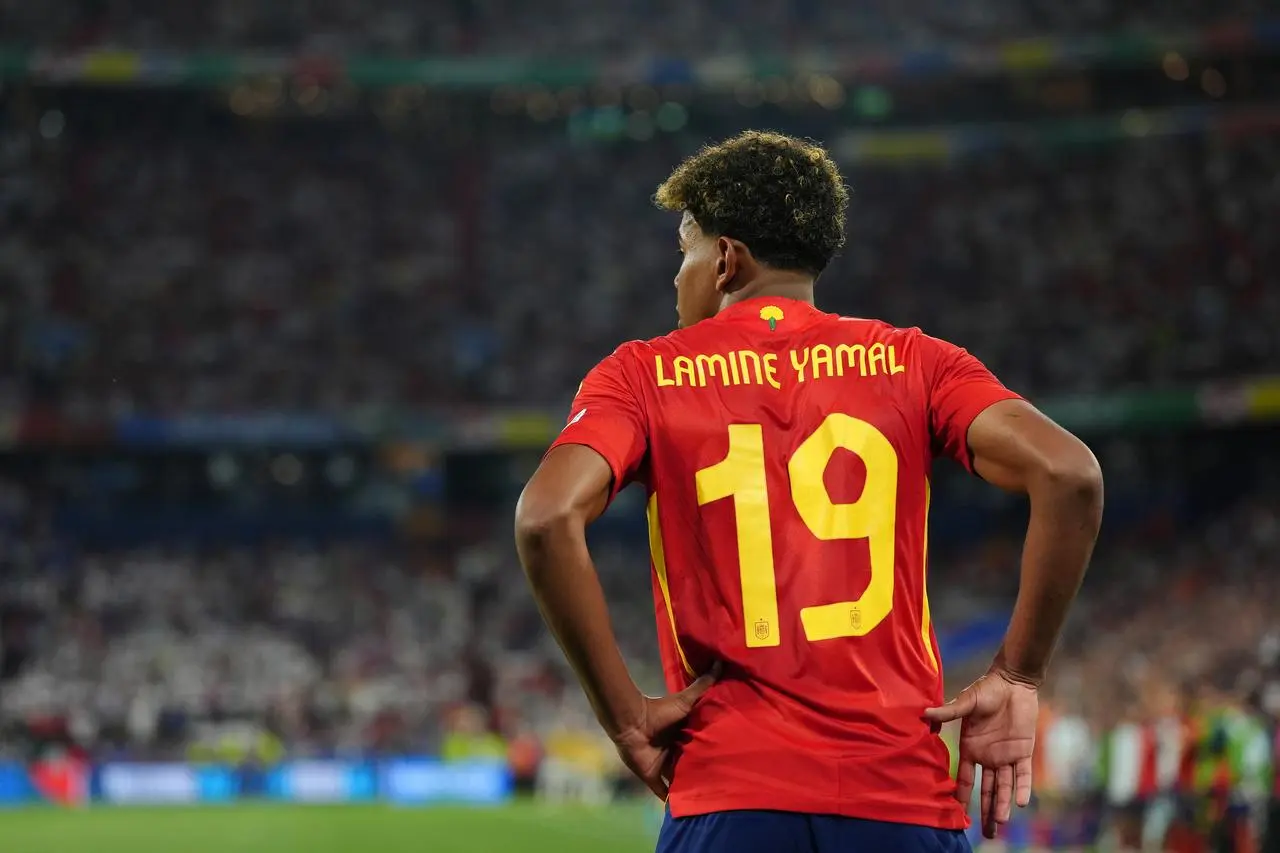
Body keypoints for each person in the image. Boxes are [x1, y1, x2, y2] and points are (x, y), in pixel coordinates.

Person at [514, 131, 1104, 853]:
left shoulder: (643, 374)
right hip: (901, 798)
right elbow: (1070, 473)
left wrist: (626, 716)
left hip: (731, 795)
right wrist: (1020, 670)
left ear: (726, 259)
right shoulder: (916, 361)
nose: (677, 280)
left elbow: (545, 519)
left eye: (684, 252)